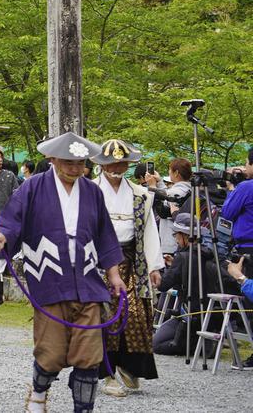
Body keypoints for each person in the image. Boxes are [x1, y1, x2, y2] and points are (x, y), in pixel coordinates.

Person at [0, 132, 126, 413]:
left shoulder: (92, 191)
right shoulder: (32, 187)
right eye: (68, 162)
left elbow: (105, 236)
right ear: (52, 159)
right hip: (49, 278)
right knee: (50, 355)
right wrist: (1, 237)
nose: (75, 168)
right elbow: (11, 221)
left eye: (80, 162)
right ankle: (39, 393)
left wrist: (113, 274)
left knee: (89, 357)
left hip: (87, 281)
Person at [90, 139, 161, 396]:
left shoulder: (139, 194)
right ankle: (106, 373)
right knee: (103, 316)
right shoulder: (89, 191)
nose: (116, 168)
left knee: (135, 315)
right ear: (101, 163)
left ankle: (129, 367)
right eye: (111, 162)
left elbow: (149, 230)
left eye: (121, 163)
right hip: (97, 262)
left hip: (132, 260)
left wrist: (154, 265)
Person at [153, 213, 222, 356]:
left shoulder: (183, 258)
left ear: (184, 236)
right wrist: (176, 266)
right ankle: (201, 343)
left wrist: (157, 270)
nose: (176, 239)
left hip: (189, 315)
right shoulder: (207, 254)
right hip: (208, 316)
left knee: (156, 345)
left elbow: (163, 285)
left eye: (176, 235)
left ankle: (197, 347)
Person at [222, 147, 253, 263]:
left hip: (248, 247)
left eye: (246, 163)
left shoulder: (246, 187)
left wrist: (231, 188)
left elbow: (227, 213)